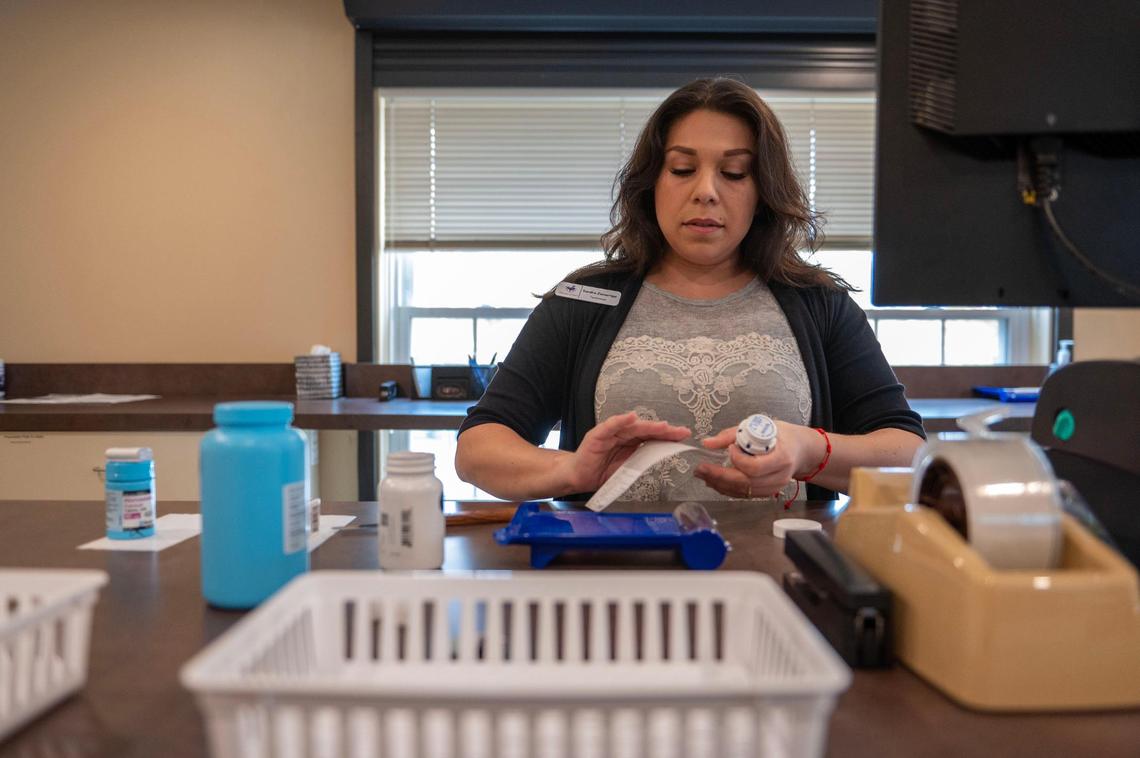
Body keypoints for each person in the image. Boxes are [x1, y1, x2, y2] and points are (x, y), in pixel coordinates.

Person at [455, 77, 925, 504]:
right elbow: (477, 449)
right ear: (652, 183)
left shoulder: (819, 305)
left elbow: (909, 455)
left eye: (734, 173)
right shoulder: (584, 300)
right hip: (612, 575)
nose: (706, 191)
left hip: (780, 578)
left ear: (762, 192)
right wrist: (572, 469)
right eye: (682, 169)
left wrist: (807, 450)